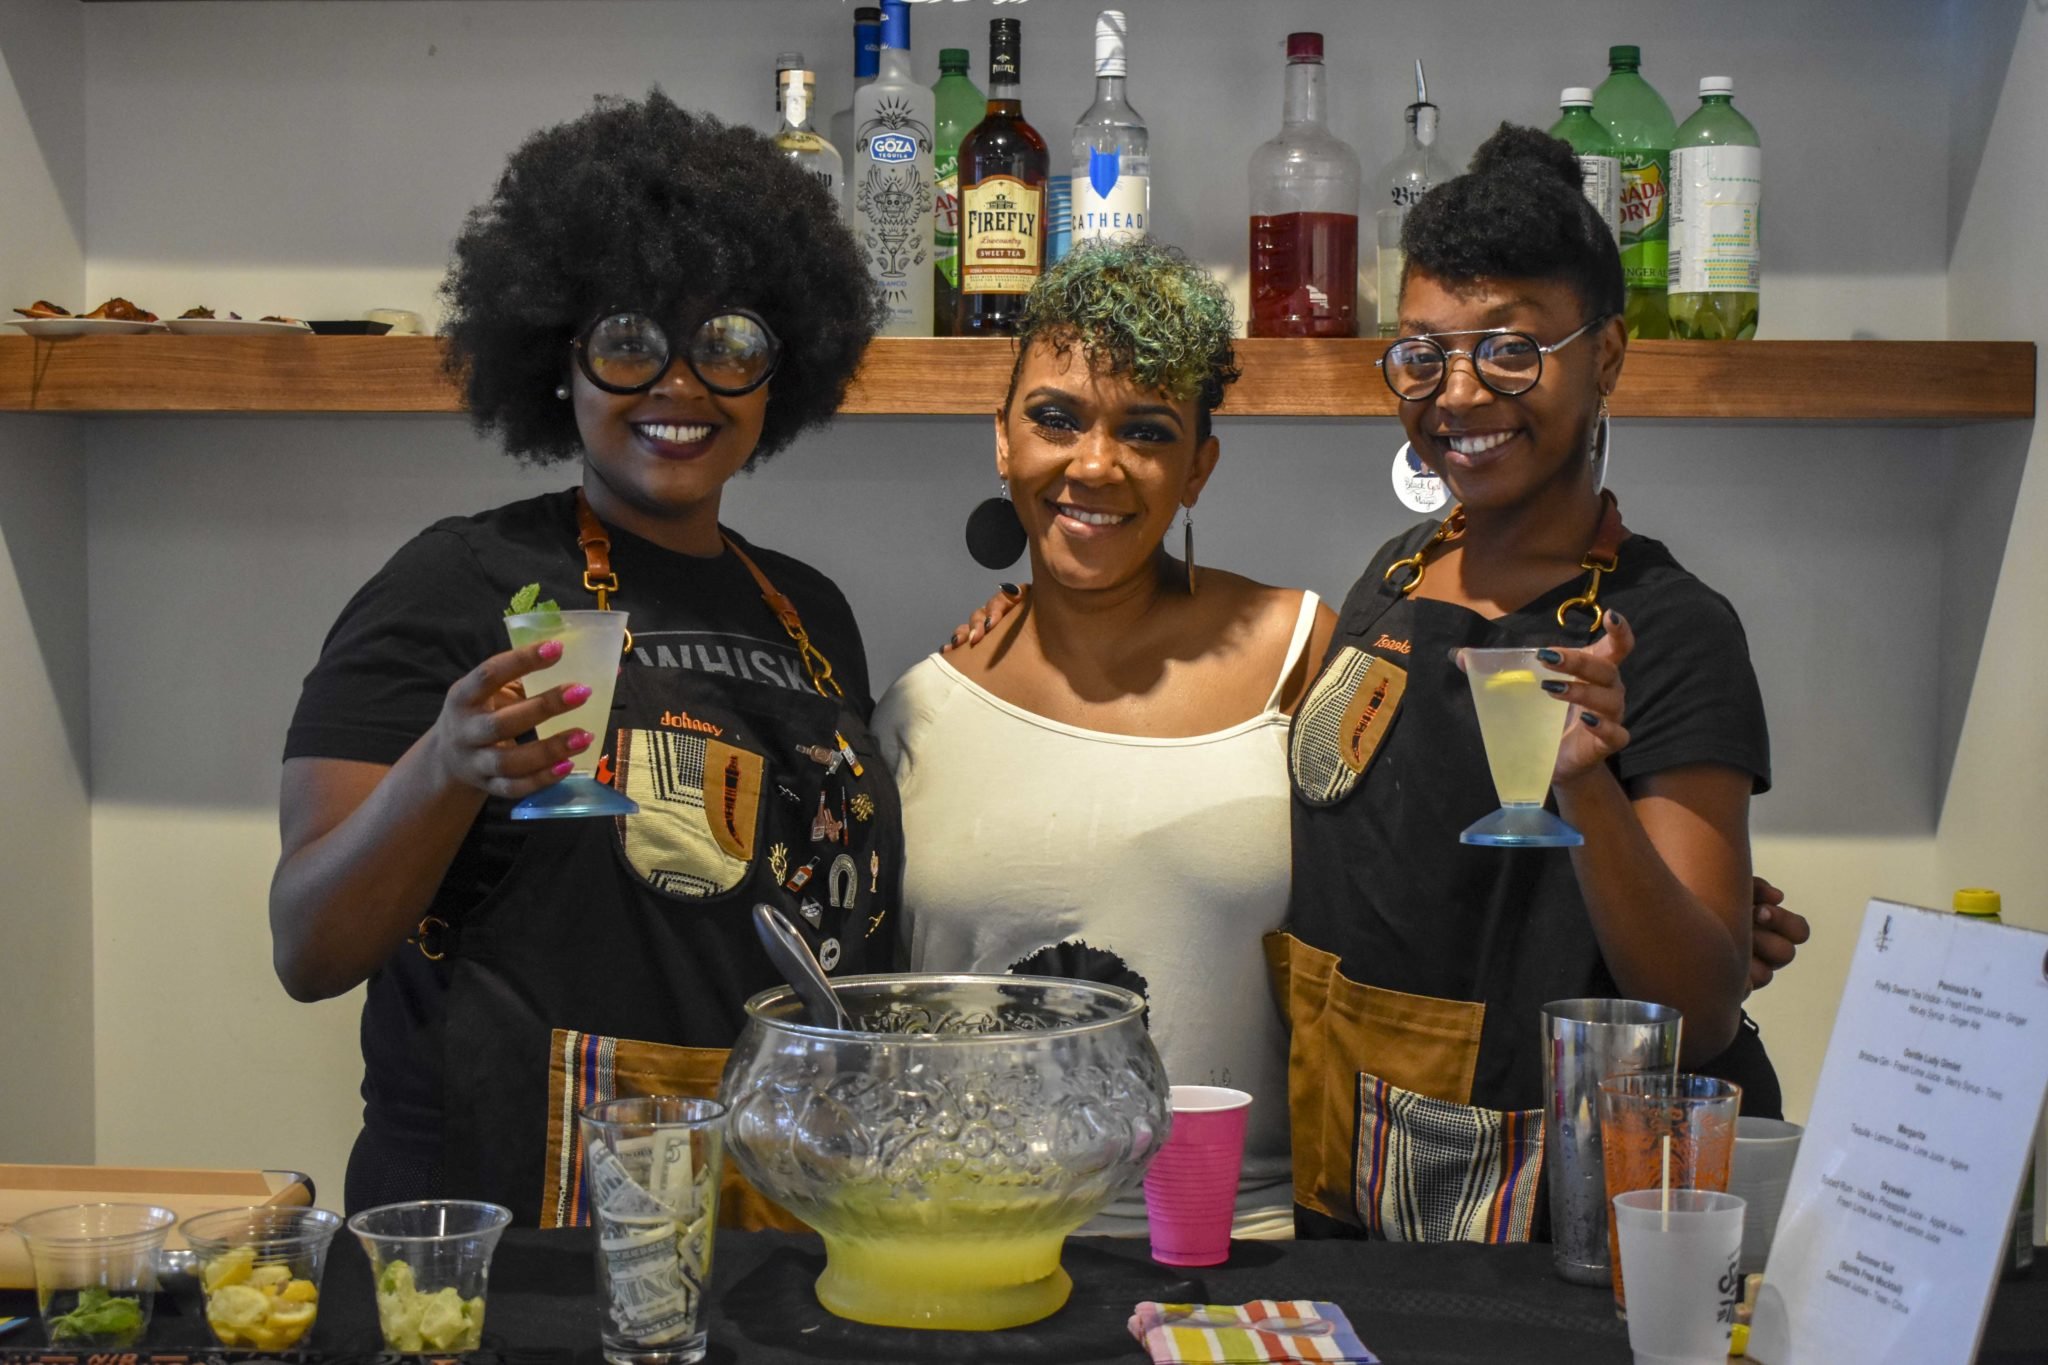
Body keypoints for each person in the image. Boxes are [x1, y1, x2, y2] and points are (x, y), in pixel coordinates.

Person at [269, 92, 898, 1227]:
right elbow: (311, 946)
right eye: (627, 340)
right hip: (511, 1231)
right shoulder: (454, 582)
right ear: (557, 360)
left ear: (780, 368)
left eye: (728, 343)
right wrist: (446, 768)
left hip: (767, 1208)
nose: (679, 384)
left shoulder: (810, 612)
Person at [1277, 124, 1781, 1242]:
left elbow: (1695, 1011)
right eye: (1421, 354)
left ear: (1603, 357)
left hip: (1539, 1217)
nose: (1457, 395)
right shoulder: (1392, 572)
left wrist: (1588, 792)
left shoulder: (1670, 631)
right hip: (1349, 1172)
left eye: (1509, 351)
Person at [876, 240, 1339, 1238]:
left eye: (1145, 430)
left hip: (1240, 1249)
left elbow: (1418, 909)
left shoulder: (1300, 655)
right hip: (960, 1248)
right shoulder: (917, 712)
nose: (1093, 463)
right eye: (1055, 419)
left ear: (1197, 468)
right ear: (1000, 441)